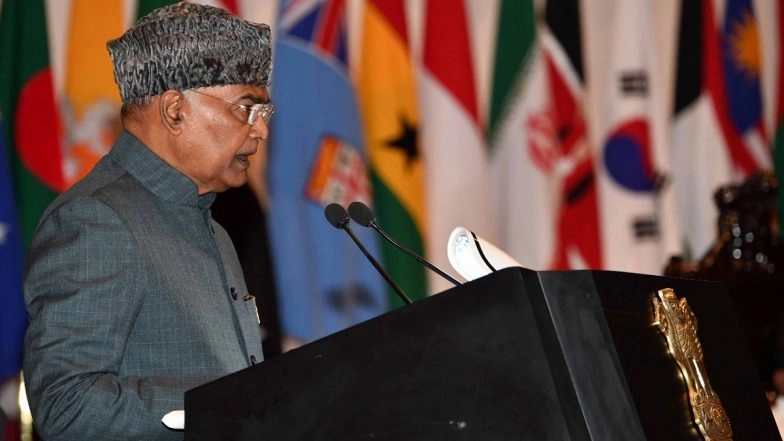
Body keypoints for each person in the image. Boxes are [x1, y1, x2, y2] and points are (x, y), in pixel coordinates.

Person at [22, 3, 273, 440]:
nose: (260, 131)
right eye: (246, 109)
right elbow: (66, 405)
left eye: (264, 114)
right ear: (175, 110)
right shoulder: (96, 220)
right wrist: (218, 408)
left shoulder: (213, 227)